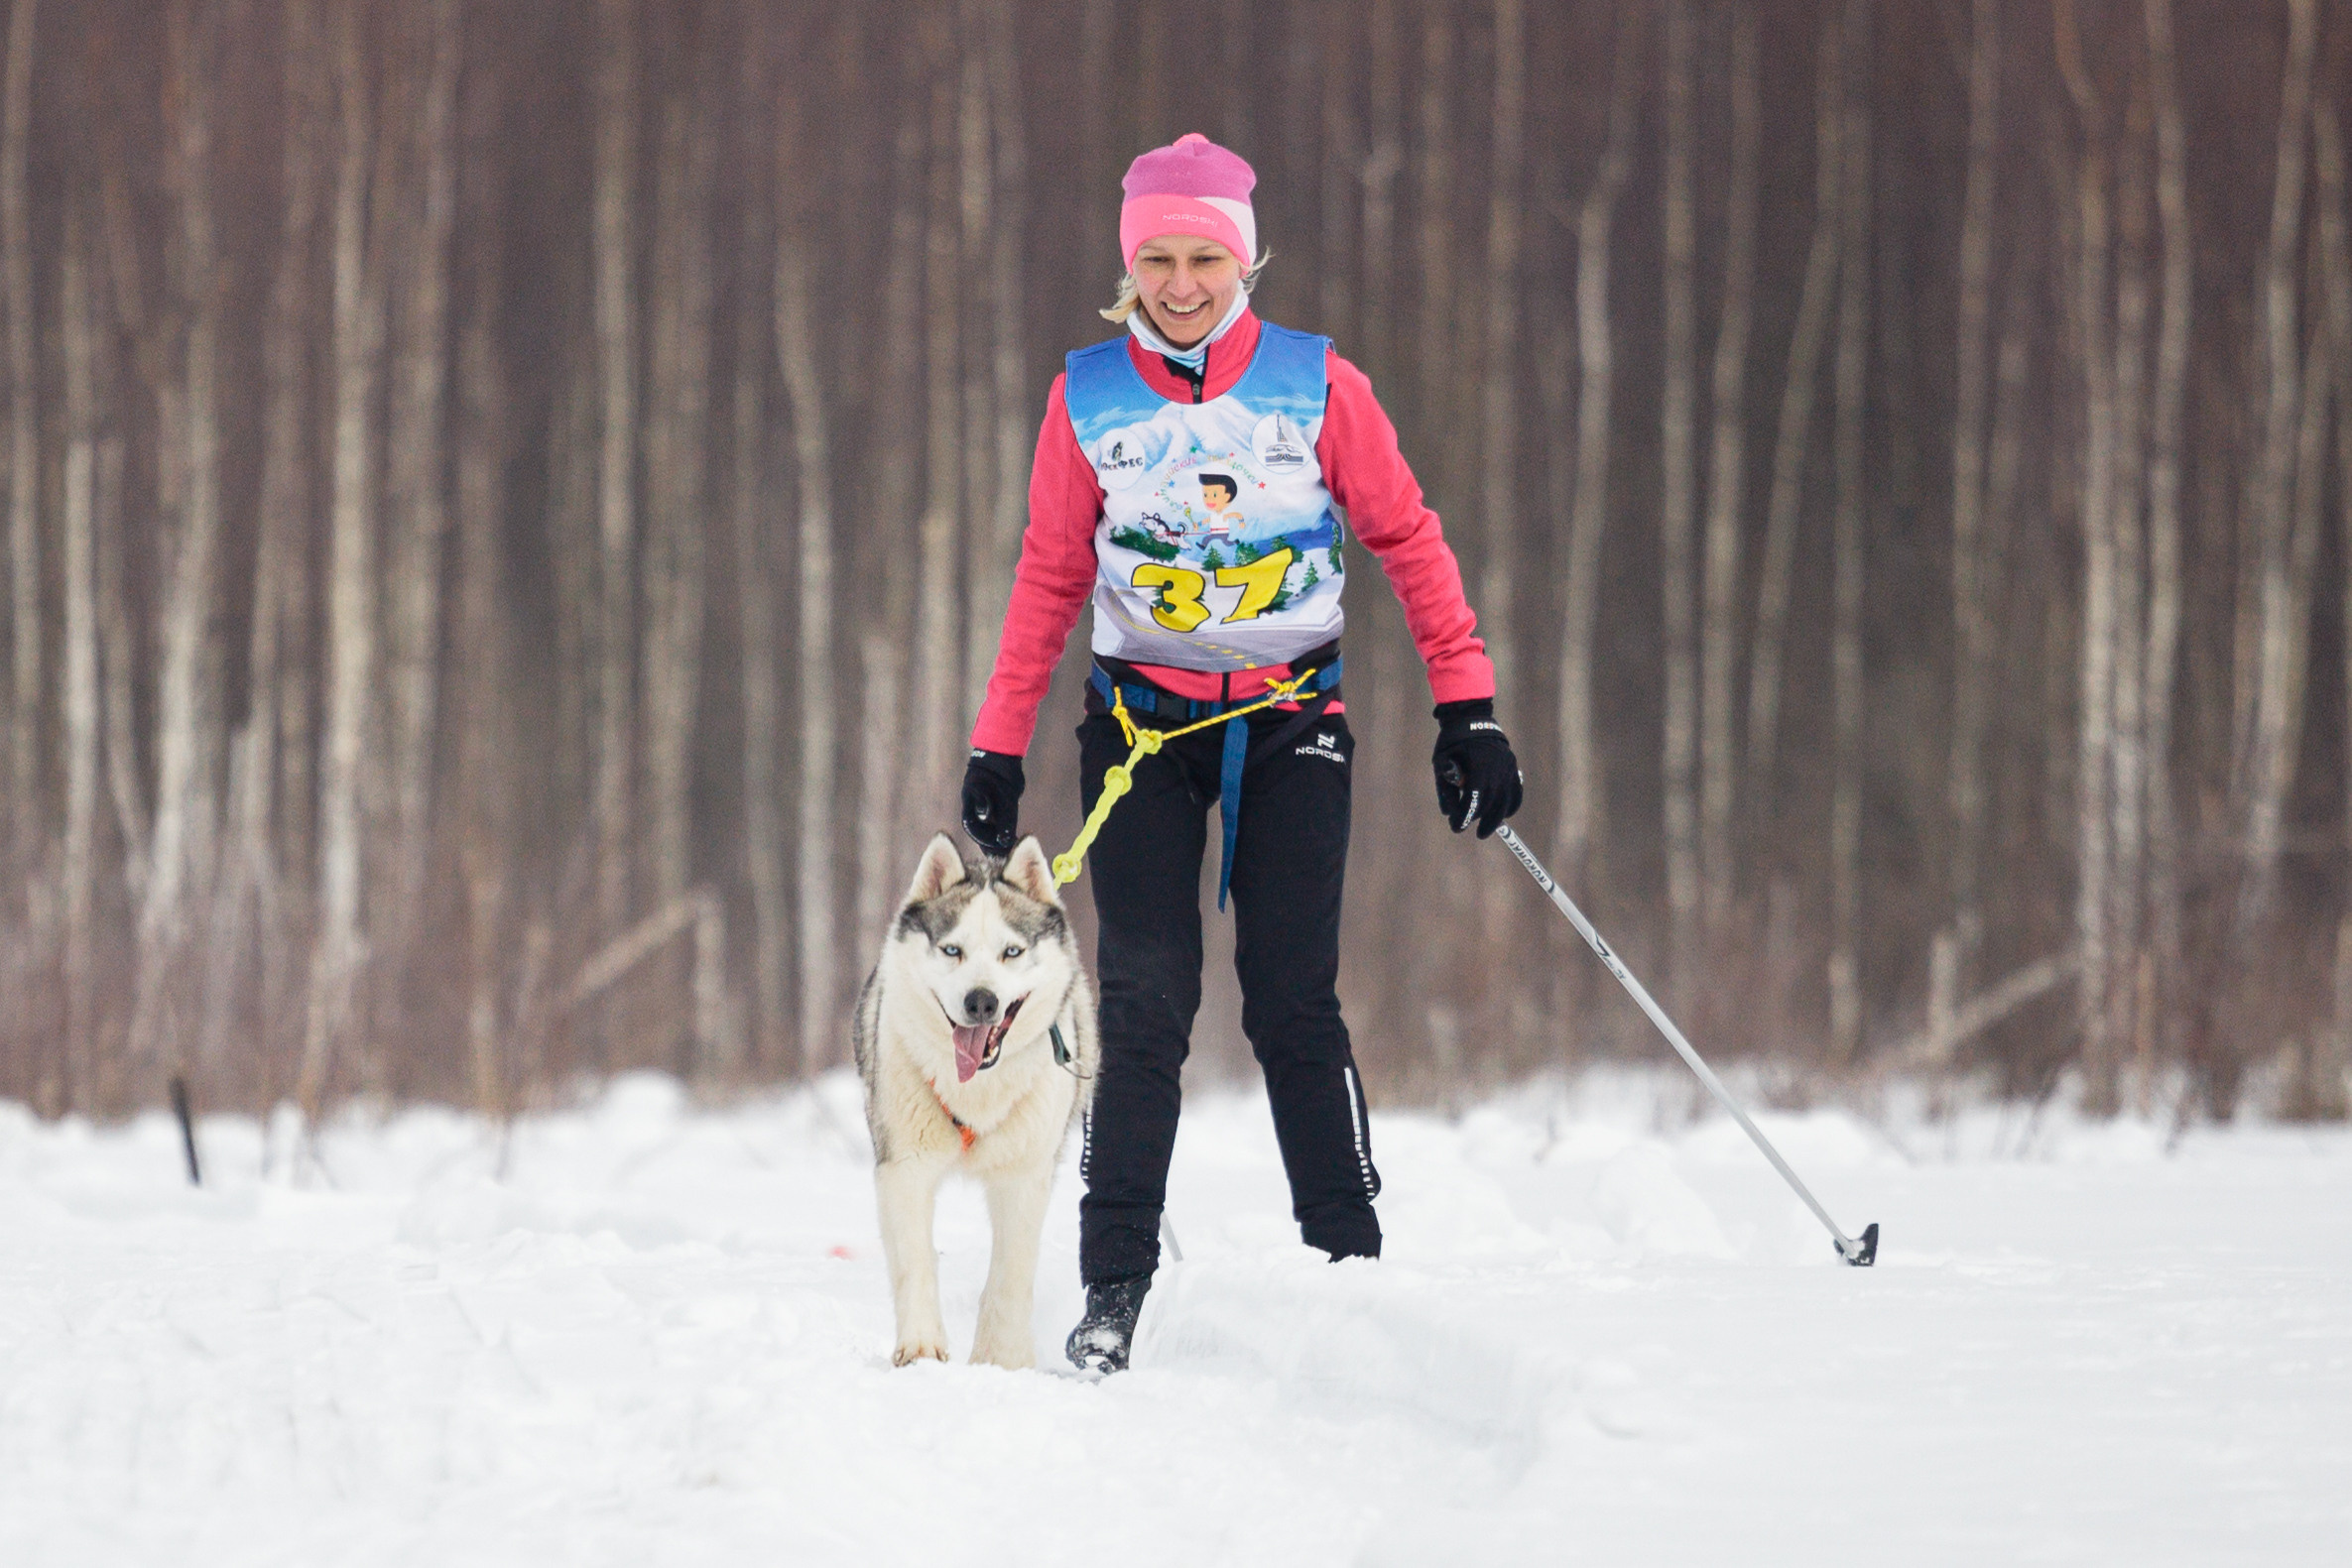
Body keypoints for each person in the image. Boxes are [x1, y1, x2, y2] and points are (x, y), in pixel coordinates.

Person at [959, 132, 1522, 1374]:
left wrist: (1465, 709)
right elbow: (1052, 573)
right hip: (1141, 732)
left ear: (1244, 256)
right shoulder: (1088, 397)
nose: (1178, 281)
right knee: (1146, 1002)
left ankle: (1350, 1267)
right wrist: (996, 748)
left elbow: (1409, 541)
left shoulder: (1321, 388)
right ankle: (1113, 1290)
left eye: (1202, 255)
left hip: (1291, 723)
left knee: (1290, 997)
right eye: (1155, 257)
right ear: (1128, 266)